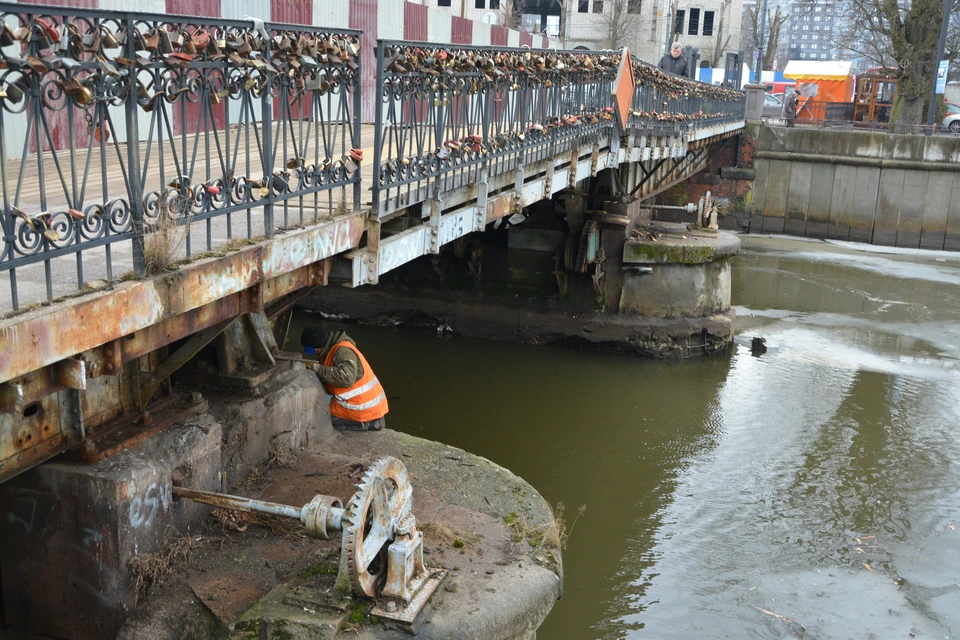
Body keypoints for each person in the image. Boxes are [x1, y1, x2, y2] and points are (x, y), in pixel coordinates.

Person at [300, 325, 388, 431]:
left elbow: (347, 378)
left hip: (361, 406)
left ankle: (365, 423)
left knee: (322, 418)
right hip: (366, 405)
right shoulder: (331, 350)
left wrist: (319, 369)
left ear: (317, 347)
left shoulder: (343, 351)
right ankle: (370, 420)